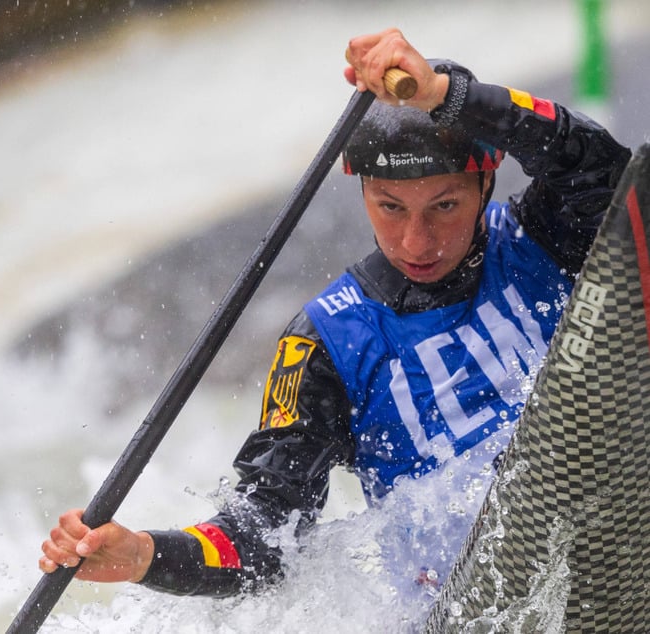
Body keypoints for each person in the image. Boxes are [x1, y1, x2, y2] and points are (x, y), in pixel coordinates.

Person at [38, 28, 632, 597]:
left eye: (444, 206)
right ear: (363, 191)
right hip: (470, 603)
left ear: (486, 180)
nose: (416, 242)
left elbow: (602, 166)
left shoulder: (548, 238)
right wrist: (146, 554)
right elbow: (265, 535)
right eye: (390, 207)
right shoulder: (326, 343)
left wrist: (448, 97)